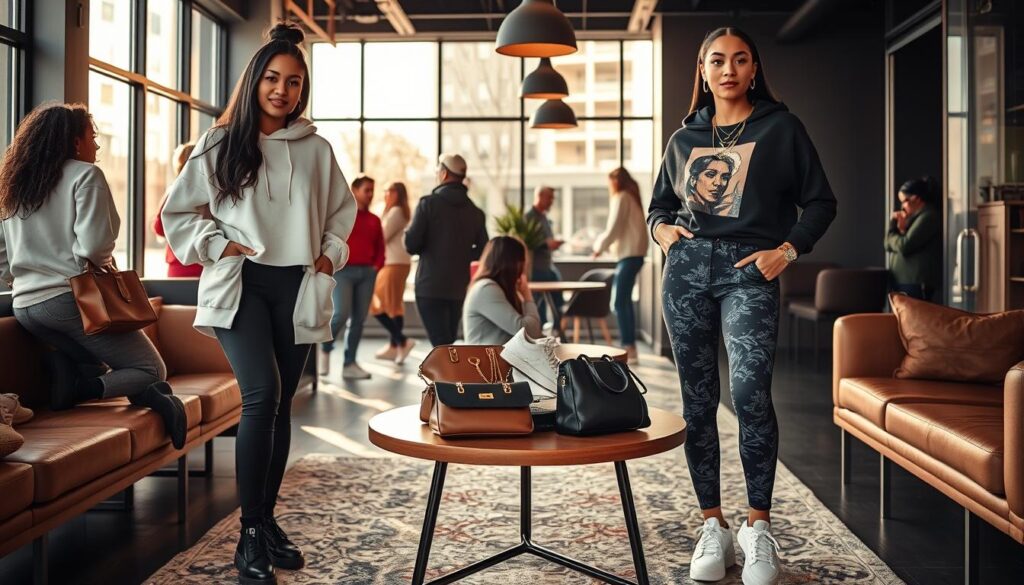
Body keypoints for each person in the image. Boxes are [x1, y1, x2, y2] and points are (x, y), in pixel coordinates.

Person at [161, 23, 356, 584]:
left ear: (302, 91)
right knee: (261, 393)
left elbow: (342, 214)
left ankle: (267, 521)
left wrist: (329, 255)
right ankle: (249, 533)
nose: (282, 90)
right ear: (254, 82)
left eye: (294, 82)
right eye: (273, 78)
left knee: (280, 402)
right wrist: (218, 244)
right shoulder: (220, 144)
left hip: (297, 284)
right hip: (241, 282)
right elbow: (179, 215)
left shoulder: (317, 149)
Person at [648, 27, 836, 585]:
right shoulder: (684, 138)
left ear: (754, 68)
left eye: (740, 59)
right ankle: (714, 525)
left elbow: (821, 202)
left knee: (751, 393)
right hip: (685, 273)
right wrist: (663, 233)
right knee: (697, 401)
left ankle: (758, 528)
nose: (728, 69)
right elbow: (659, 205)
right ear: (702, 71)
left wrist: (788, 249)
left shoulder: (781, 128)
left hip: (748, 272)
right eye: (716, 60)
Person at [0, 102, 187, 450]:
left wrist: (19, 280)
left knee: (96, 363)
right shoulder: (85, 175)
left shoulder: (19, 184)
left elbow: (1, 251)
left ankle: (73, 374)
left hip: (26, 308)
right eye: (93, 137)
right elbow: (96, 247)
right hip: (70, 301)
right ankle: (78, 389)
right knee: (151, 370)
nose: (97, 146)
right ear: (74, 142)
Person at [405, 153, 488, 346]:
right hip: (458, 288)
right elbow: (485, 249)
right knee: (447, 342)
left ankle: (445, 377)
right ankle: (449, 376)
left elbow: (411, 245)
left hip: (430, 286)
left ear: (443, 174)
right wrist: (463, 254)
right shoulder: (475, 211)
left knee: (441, 346)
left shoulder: (428, 204)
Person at [320, 175, 384, 380]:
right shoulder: (343, 217)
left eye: (372, 190)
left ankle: (350, 363)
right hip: (344, 272)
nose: (370, 194)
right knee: (341, 313)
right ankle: (324, 349)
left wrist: (376, 266)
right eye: (367, 190)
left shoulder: (375, 220)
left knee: (359, 319)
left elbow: (380, 248)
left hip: (367, 273)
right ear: (355, 191)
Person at [591, 167, 649, 364]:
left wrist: (599, 247)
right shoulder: (632, 197)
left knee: (618, 302)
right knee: (624, 302)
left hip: (629, 256)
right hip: (635, 256)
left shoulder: (622, 197)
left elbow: (614, 228)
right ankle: (630, 346)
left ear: (616, 181)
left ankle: (628, 346)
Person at [463, 236, 542, 344]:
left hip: (499, 358)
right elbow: (530, 332)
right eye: (523, 261)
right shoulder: (486, 289)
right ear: (514, 263)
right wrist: (527, 296)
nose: (524, 268)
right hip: (485, 360)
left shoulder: (499, 288)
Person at [371, 181, 415, 364]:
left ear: (396, 193)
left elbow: (382, 235)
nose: (384, 195)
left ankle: (401, 341)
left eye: (387, 191)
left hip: (394, 262)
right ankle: (395, 346)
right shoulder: (397, 211)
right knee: (393, 304)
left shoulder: (396, 212)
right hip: (398, 262)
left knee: (378, 303)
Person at [885, 176, 941, 301]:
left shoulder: (928, 217)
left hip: (915, 283)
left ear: (916, 199)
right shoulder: (914, 218)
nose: (902, 206)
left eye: (904, 200)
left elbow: (904, 245)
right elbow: (887, 245)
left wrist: (892, 228)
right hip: (905, 282)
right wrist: (899, 230)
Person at [153, 142, 203, 277]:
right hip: (205, 263)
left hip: (178, 263)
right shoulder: (210, 192)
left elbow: (159, 228)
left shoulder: (173, 192)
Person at [525, 186, 564, 326]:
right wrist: (546, 245)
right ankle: (540, 332)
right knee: (538, 305)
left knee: (559, 302)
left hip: (548, 266)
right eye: (549, 198)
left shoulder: (544, 218)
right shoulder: (529, 217)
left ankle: (557, 330)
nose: (551, 202)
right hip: (536, 268)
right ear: (540, 196)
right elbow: (527, 243)